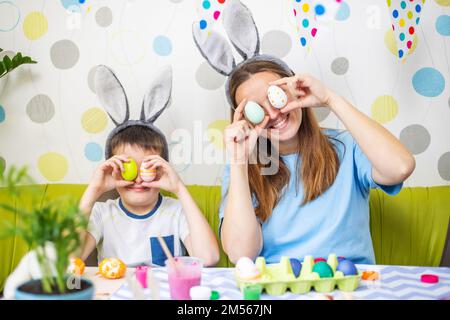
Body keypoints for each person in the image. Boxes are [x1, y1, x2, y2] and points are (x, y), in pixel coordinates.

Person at [192, 0, 415, 265]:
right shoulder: (243, 168)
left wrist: (330, 99)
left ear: (296, 88)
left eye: (276, 97)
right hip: (277, 289)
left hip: (347, 286)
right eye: (256, 110)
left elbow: (400, 167)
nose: (274, 114)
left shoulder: (346, 147)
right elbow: (241, 254)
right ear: (244, 120)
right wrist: (240, 160)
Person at [78, 65, 219, 267]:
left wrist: (179, 187)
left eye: (148, 167)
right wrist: (94, 190)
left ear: (162, 169)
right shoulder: (102, 213)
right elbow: (67, 260)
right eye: (128, 167)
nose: (137, 179)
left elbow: (209, 258)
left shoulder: (176, 211)